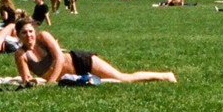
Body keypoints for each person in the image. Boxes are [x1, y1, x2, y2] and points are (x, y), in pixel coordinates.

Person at [14, 19, 176, 84]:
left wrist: (50, 83)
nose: (29, 35)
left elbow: (60, 59)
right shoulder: (21, 54)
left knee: (123, 78)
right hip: (72, 76)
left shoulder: (43, 36)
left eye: (30, 31)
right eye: (24, 33)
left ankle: (165, 75)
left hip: (82, 61)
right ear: (18, 36)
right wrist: (30, 82)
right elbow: (25, 78)